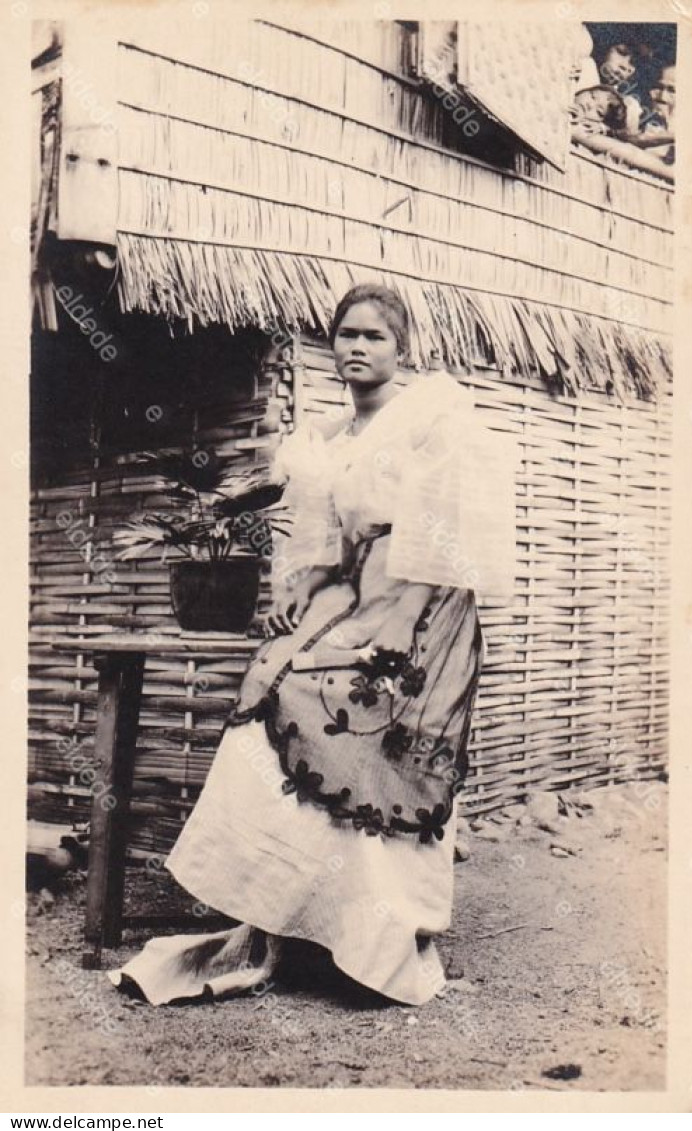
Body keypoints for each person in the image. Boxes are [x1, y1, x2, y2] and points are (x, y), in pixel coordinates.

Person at [107, 284, 519, 1007]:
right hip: (358, 592)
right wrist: (304, 587)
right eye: (347, 335)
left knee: (342, 708)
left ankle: (375, 931)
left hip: (425, 600)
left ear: (402, 348)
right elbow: (328, 541)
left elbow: (444, 539)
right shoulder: (328, 439)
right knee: (268, 688)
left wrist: (401, 627)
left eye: (375, 336)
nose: (357, 348)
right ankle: (284, 917)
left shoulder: (428, 420)